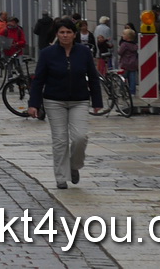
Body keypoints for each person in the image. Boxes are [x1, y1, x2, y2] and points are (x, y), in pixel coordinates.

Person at [28, 17, 103, 191]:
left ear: (74, 34)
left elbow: (93, 77)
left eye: (68, 32)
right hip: (54, 101)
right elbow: (39, 80)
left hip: (80, 100)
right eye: (62, 32)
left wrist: (97, 101)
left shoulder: (83, 52)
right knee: (60, 140)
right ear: (57, 34)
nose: (65, 35)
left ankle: (74, 165)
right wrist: (34, 104)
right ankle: (61, 177)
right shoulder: (47, 53)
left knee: (80, 137)